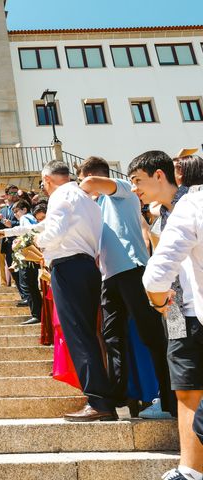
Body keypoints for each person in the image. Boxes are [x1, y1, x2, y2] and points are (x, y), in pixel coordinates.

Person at [78, 156, 176, 420]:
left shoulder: (123, 189)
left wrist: (74, 193)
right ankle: (119, 398)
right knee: (113, 339)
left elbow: (90, 182)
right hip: (109, 277)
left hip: (133, 270)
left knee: (152, 337)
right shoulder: (98, 206)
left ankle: (169, 401)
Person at [128, 151, 202, 480]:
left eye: (138, 181)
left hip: (192, 306)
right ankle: (190, 469)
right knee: (185, 388)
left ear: (160, 176)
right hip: (176, 311)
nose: (134, 190)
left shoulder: (191, 202)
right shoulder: (160, 218)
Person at [31, 161, 116, 421]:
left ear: (47, 180)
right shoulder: (85, 198)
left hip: (67, 268)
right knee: (89, 332)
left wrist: (37, 242)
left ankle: (98, 401)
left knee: (79, 335)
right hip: (87, 266)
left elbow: (54, 232)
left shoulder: (59, 195)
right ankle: (101, 398)